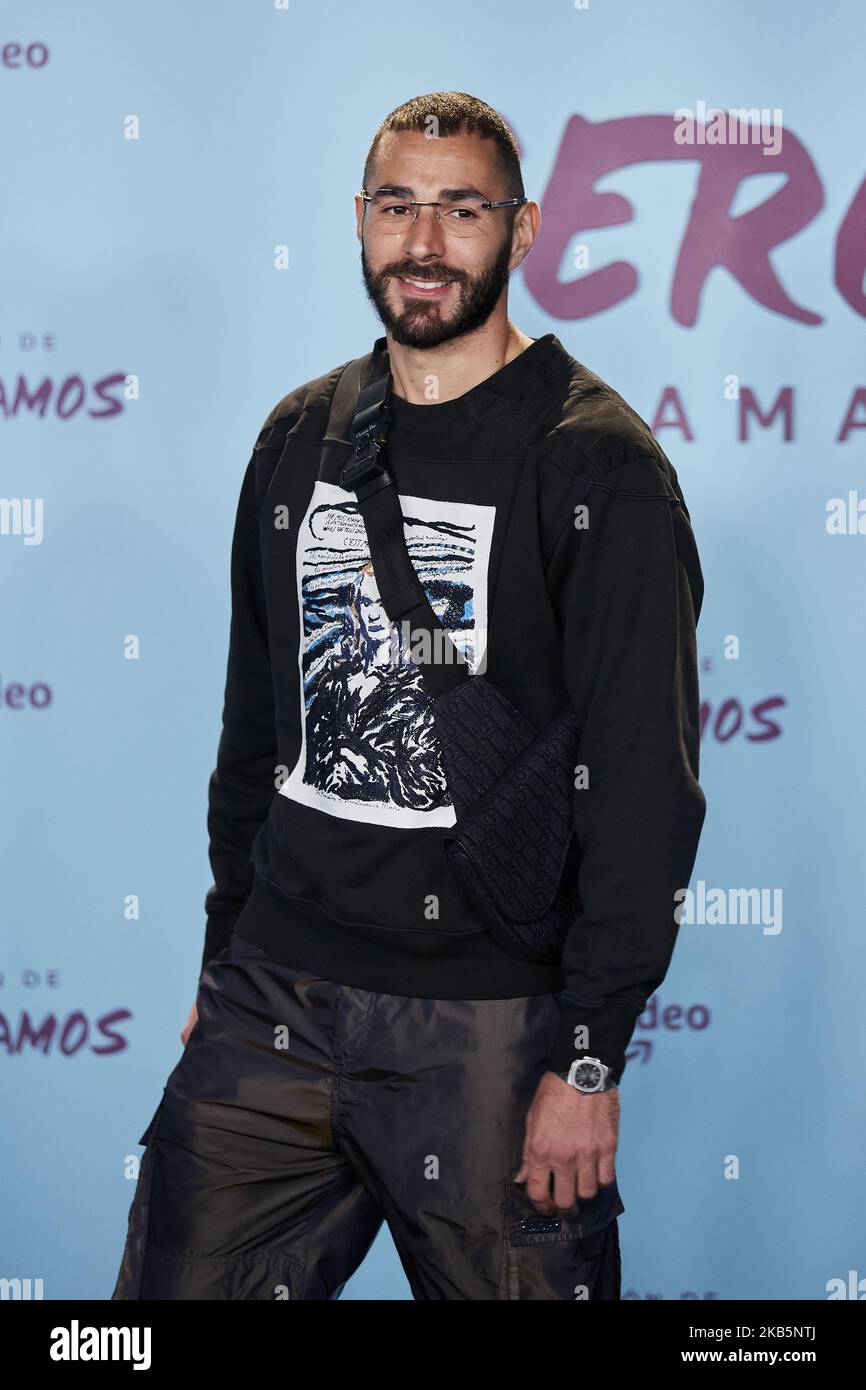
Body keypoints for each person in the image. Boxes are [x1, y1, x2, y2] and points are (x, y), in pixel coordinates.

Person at [112, 90, 706, 1301]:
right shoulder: (301, 435)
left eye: (460, 209)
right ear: (357, 220)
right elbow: (255, 732)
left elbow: (641, 787)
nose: (423, 242)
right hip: (271, 1002)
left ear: (524, 229)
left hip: (486, 1029)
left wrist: (586, 1061)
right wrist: (223, 956)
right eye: (396, 206)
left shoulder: (596, 464)